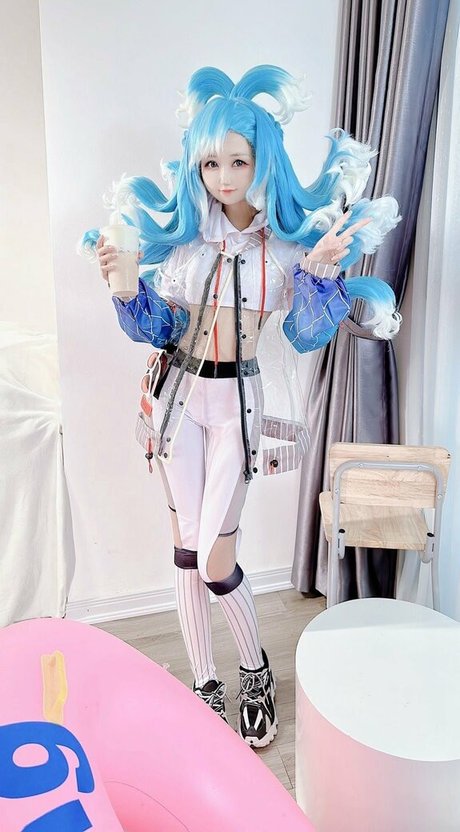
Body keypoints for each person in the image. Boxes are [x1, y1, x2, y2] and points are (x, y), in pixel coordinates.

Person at [81, 65, 401, 748]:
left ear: (262, 163)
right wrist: (124, 288)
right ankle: (204, 682)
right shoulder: (184, 244)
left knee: (215, 560)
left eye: (238, 161)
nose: (223, 177)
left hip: (237, 409)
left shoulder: (282, 252)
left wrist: (320, 273)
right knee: (185, 551)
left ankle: (254, 668)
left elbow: (306, 335)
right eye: (210, 163)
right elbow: (161, 330)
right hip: (176, 401)